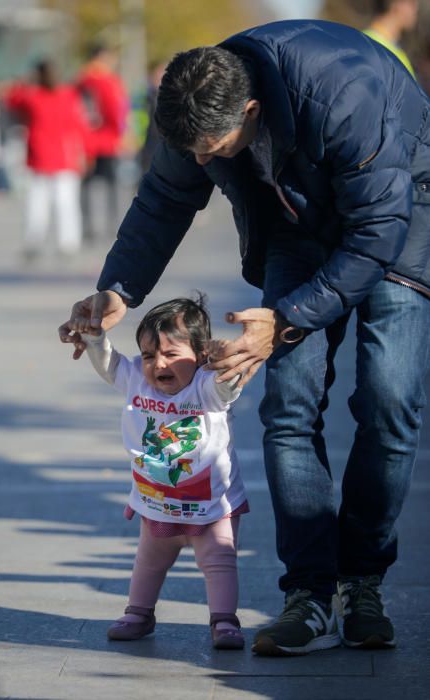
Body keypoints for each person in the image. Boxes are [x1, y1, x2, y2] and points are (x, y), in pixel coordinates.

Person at [59, 20, 430, 656]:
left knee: (390, 402)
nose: (202, 161)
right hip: (291, 226)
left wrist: (285, 321)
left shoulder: (344, 98)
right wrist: (118, 288)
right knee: (288, 406)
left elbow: (376, 229)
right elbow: (164, 199)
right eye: (193, 149)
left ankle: (362, 580)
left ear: (251, 110)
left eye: (212, 148)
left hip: (401, 216)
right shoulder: (192, 104)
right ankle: (309, 594)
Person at [66, 295, 248, 649]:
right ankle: (139, 611)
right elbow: (110, 365)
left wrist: (229, 366)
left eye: (171, 354)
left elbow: (228, 387)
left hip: (210, 505)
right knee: (149, 562)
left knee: (219, 560)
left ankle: (224, 619)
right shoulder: (137, 380)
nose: (157, 363)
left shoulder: (206, 387)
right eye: (149, 355)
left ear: (202, 356)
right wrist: (94, 337)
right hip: (157, 501)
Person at [5, 60, 91, 258]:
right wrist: (84, 153)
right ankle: (68, 243)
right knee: (66, 203)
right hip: (64, 156)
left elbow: (12, 101)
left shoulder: (31, 96)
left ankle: (33, 240)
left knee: (37, 203)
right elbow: (80, 126)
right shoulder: (69, 95)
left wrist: (26, 82)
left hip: (39, 156)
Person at [76, 43, 130, 242]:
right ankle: (112, 223)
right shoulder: (109, 81)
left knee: (86, 186)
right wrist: (123, 135)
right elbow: (118, 110)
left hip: (86, 142)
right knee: (111, 185)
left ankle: (87, 225)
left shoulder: (80, 80)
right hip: (107, 141)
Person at [363, 0, 419, 76]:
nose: (416, 9)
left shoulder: (393, 49)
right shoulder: (371, 46)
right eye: (411, 3)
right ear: (395, 4)